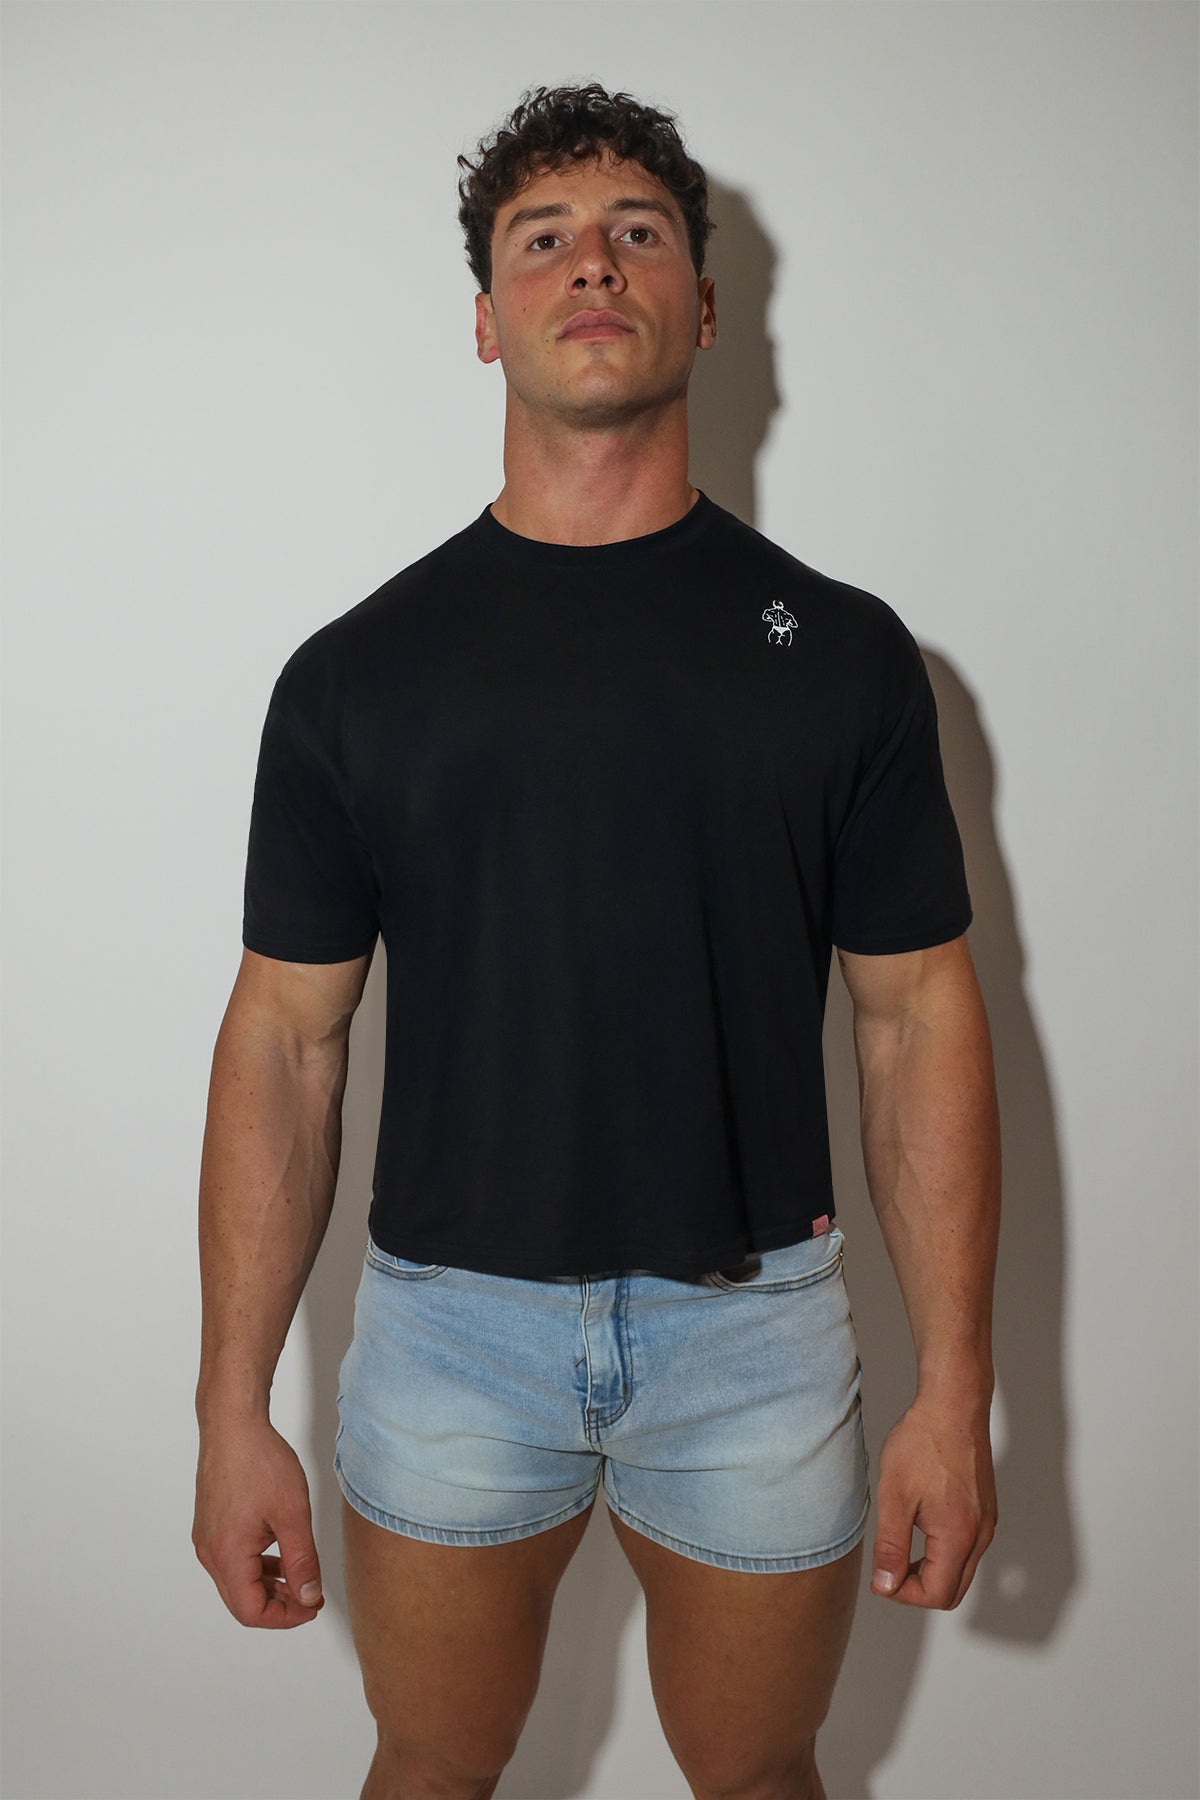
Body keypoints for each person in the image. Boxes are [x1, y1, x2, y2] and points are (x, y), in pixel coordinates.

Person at [193, 82, 1000, 1800]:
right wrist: (229, 1408)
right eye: (542, 239)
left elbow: (918, 1019)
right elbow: (284, 1043)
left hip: (756, 1337)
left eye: (638, 233)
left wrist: (958, 1388)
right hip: (447, 1332)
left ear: (702, 306)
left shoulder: (841, 656)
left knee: (762, 1779)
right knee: (429, 1770)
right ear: (486, 320)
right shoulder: (357, 675)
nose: (593, 264)